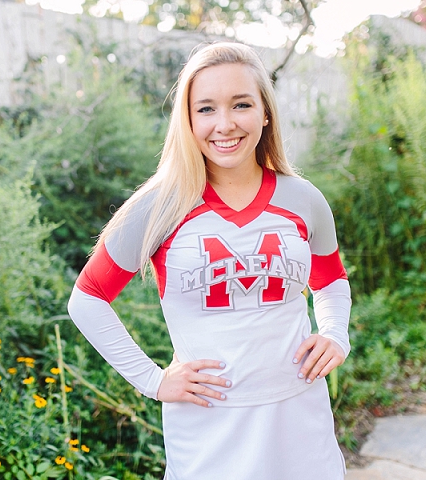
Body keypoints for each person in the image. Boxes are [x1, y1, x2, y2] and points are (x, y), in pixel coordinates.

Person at [67, 42, 351, 480]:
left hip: (299, 418)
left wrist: (334, 334)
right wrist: (153, 379)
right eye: (206, 109)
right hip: (209, 428)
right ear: (187, 119)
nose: (225, 124)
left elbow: (330, 281)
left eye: (241, 104)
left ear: (266, 113)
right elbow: (87, 298)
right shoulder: (160, 206)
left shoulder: (303, 198)